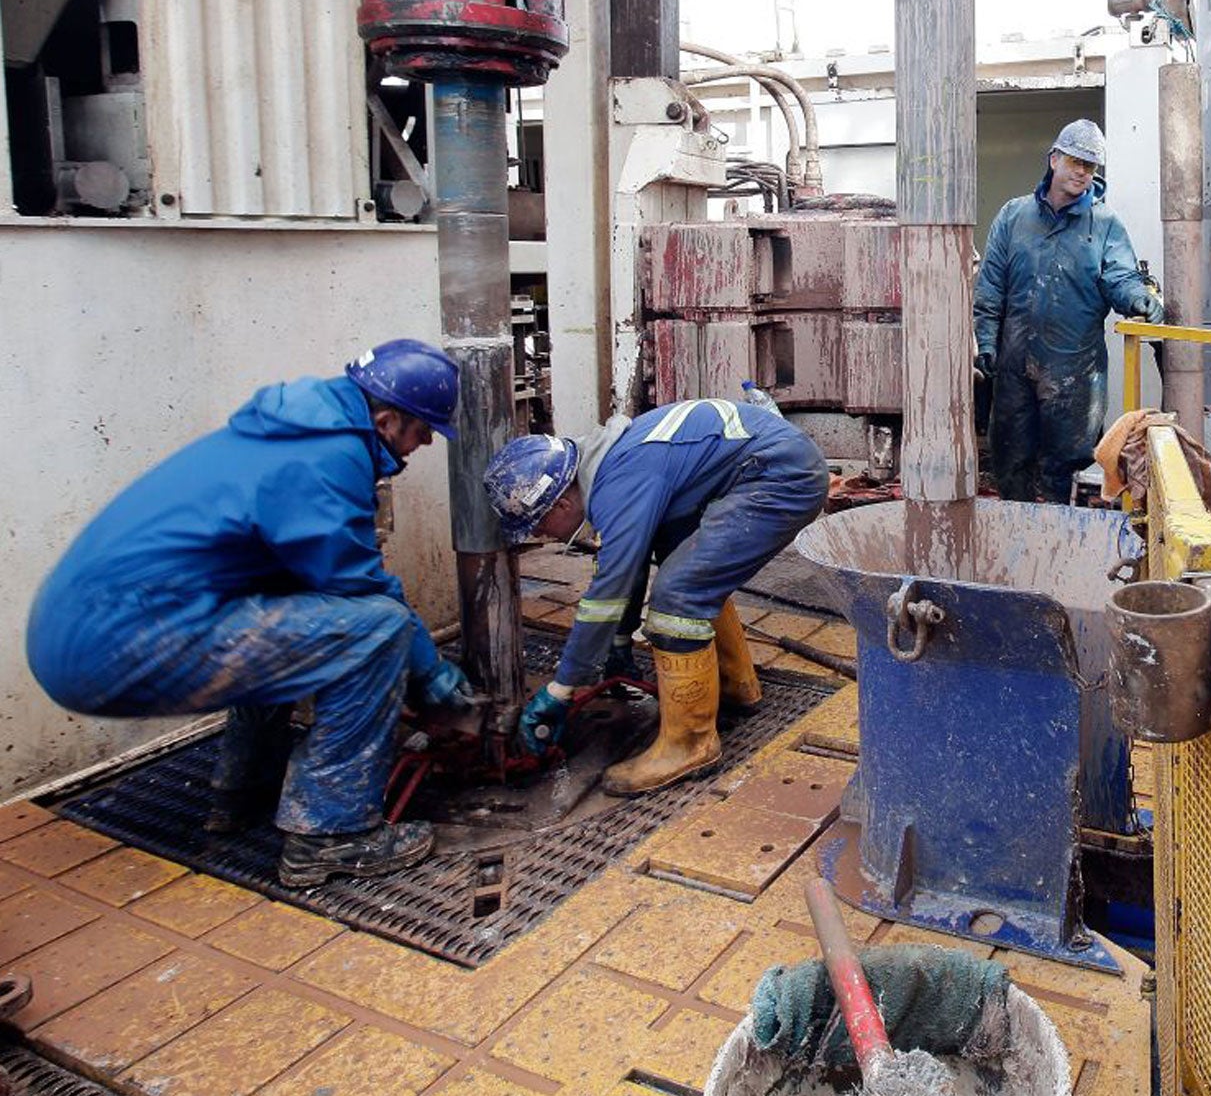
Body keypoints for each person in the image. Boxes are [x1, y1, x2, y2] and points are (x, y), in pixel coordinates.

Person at [26, 339, 470, 887]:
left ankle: (243, 793)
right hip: (114, 644)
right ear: (386, 419)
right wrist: (429, 670)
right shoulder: (327, 457)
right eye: (423, 431)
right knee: (376, 631)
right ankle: (331, 836)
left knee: (295, 616)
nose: (424, 443)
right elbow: (360, 587)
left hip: (74, 631)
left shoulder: (293, 432)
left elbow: (309, 584)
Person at [484, 395, 829, 794]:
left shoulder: (619, 484)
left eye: (536, 524)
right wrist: (617, 642)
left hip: (782, 478)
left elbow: (608, 591)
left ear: (561, 503)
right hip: (771, 466)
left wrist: (562, 689)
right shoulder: (611, 465)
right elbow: (624, 565)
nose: (541, 536)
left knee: (678, 596)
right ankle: (737, 686)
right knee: (683, 565)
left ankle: (689, 746)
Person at [973, 119, 1166, 504]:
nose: (1081, 171)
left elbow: (1120, 277)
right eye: (1075, 161)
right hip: (1014, 370)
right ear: (1054, 159)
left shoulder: (1105, 224)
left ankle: (1059, 548)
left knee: (1064, 471)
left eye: (1090, 166)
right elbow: (991, 287)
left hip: (1075, 375)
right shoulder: (1013, 217)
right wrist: (986, 342)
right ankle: (1015, 546)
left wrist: (1137, 298)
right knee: (1010, 461)